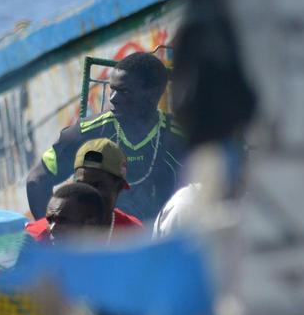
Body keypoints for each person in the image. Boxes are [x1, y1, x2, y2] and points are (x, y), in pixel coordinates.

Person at [26, 52, 186, 222]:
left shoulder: (179, 137)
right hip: (98, 243)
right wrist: (51, 236)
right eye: (112, 89)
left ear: (152, 94)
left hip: (162, 242)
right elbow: (37, 180)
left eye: (123, 91)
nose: (112, 99)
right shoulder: (87, 132)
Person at [25, 145, 143, 242]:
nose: (89, 194)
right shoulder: (37, 237)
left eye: (97, 186)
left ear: (118, 188)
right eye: (82, 185)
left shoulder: (134, 232)